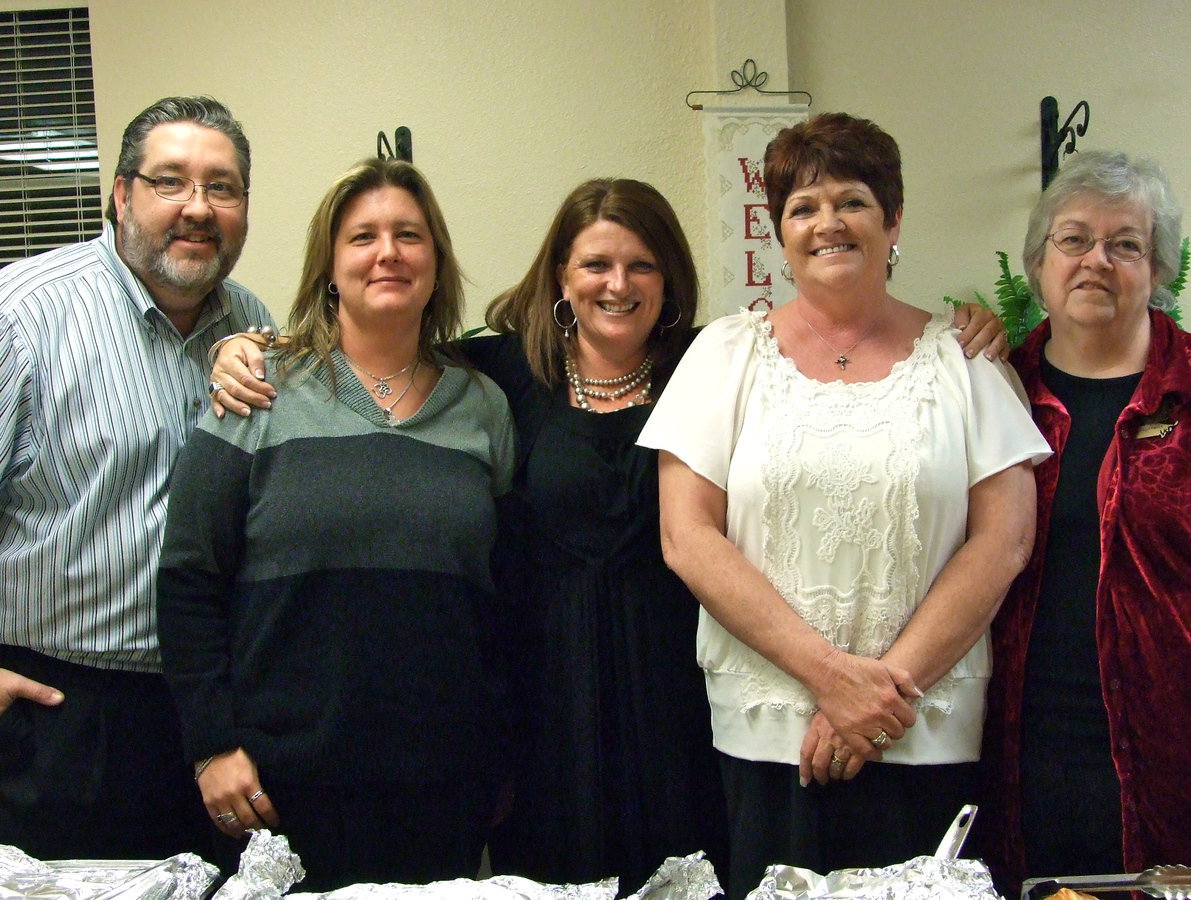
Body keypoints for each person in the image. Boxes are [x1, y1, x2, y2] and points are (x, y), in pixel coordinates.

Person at [207, 178, 1008, 894]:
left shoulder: (719, 364)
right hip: (544, 710)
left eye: (641, 266)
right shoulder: (499, 376)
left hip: (683, 708)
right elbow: (379, 343)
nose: (617, 285)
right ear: (561, 276)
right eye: (595, 264)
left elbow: (827, 363)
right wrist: (245, 346)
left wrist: (966, 328)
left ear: (669, 281)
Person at [639, 112, 1050, 900]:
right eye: (803, 207)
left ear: (893, 221)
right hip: (767, 733)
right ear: (780, 233)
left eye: (852, 201)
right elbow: (686, 536)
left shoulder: (965, 362)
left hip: (924, 728)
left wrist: (880, 695)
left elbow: (1005, 541)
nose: (828, 222)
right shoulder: (725, 355)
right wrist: (831, 679)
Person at [156, 157, 514, 892]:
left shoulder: (484, 405)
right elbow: (189, 576)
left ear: (436, 262)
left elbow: (509, 594)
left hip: (444, 781)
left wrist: (505, 751)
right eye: (363, 237)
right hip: (280, 784)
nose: (388, 253)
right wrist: (211, 745)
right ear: (328, 266)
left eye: (409, 235)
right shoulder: (258, 390)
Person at [0, 95, 269, 860]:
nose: (198, 208)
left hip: (209, 717)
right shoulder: (23, 314)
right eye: (170, 181)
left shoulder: (249, 323)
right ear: (121, 195)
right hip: (59, 717)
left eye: (222, 187)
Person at [979, 150, 1191, 895]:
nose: (1096, 261)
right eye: (1074, 239)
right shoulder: (992, 393)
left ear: (1159, 268)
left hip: (1176, 757)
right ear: (1038, 263)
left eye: (1125, 244)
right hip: (1015, 749)